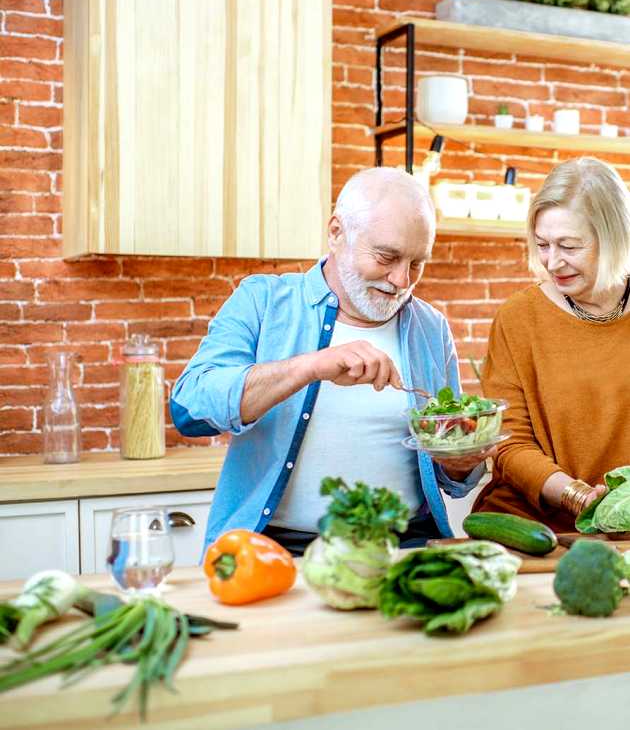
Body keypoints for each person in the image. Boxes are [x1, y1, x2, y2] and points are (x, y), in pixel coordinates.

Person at [171, 167, 488, 554]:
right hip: (278, 550)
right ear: (337, 232)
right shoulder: (262, 301)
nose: (401, 280)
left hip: (406, 546)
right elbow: (190, 410)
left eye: (417, 263)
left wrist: (462, 461)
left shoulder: (430, 328)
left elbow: (454, 478)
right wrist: (312, 366)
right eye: (386, 256)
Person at [473, 156, 630, 531]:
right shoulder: (518, 319)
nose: (553, 262)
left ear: (614, 239)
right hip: (533, 525)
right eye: (543, 244)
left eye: (570, 246)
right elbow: (509, 445)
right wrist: (579, 498)